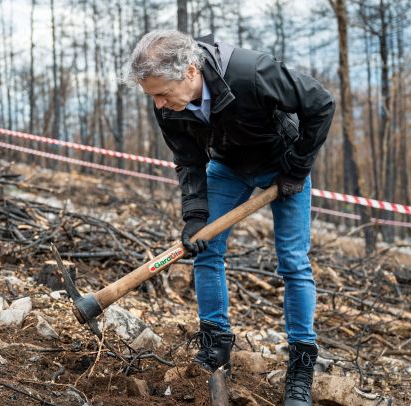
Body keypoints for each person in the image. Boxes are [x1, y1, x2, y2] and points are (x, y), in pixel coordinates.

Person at [124, 30, 335, 406]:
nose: (157, 104)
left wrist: (298, 166)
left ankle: (301, 363)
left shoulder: (250, 71)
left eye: (161, 93)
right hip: (228, 165)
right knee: (205, 247)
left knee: (293, 263)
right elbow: (189, 160)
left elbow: (320, 103)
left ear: (190, 71)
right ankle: (215, 344)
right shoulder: (167, 105)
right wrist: (195, 215)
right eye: (151, 95)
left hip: (282, 163)